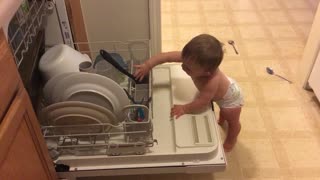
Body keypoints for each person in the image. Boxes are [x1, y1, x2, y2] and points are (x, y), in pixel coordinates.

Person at [134, 34, 244, 152]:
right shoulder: (191, 59)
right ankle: (222, 119)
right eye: (183, 62)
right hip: (221, 93)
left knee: (231, 120)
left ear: (206, 73)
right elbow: (165, 57)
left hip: (230, 99)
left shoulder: (211, 82)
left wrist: (184, 108)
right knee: (223, 114)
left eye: (188, 68)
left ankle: (232, 139)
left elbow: (202, 102)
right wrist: (148, 65)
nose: (182, 66)